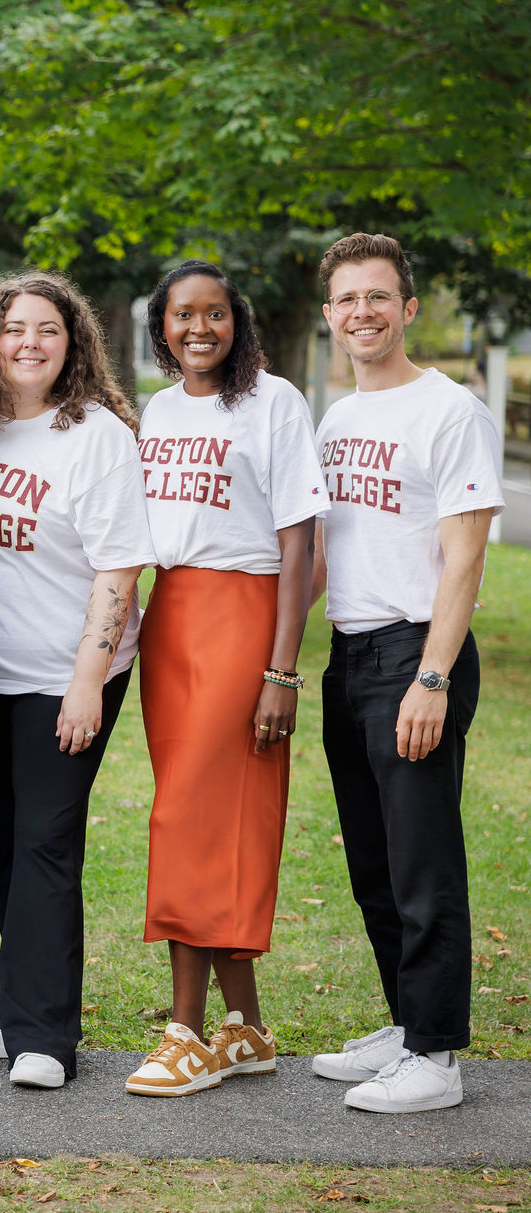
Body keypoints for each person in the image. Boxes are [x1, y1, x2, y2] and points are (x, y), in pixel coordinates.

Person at [0, 270, 153, 1091]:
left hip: (68, 676)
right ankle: (17, 1008)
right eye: (13, 329)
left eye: (47, 330)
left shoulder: (95, 435)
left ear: (73, 344)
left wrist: (85, 682)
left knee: (46, 842)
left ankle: (45, 1036)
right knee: (6, 839)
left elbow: (120, 569)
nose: (28, 342)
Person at [309, 233, 501, 1114]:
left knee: (423, 862)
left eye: (378, 296)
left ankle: (435, 1056)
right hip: (351, 655)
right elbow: (321, 555)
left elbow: (464, 558)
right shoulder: (340, 417)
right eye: (347, 299)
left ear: (409, 307)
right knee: (375, 861)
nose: (363, 313)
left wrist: (431, 676)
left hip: (414, 653)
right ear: (329, 316)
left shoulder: (448, 411)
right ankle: (403, 1021)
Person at [125, 262, 324, 1098]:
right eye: (181, 315)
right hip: (171, 617)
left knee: (186, 818)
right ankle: (244, 1026)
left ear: (236, 321)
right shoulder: (159, 410)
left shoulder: (274, 402)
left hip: (243, 613)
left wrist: (282, 668)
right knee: (206, 811)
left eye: (214, 313)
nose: (198, 328)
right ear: (161, 328)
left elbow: (300, 540)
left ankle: (185, 1033)